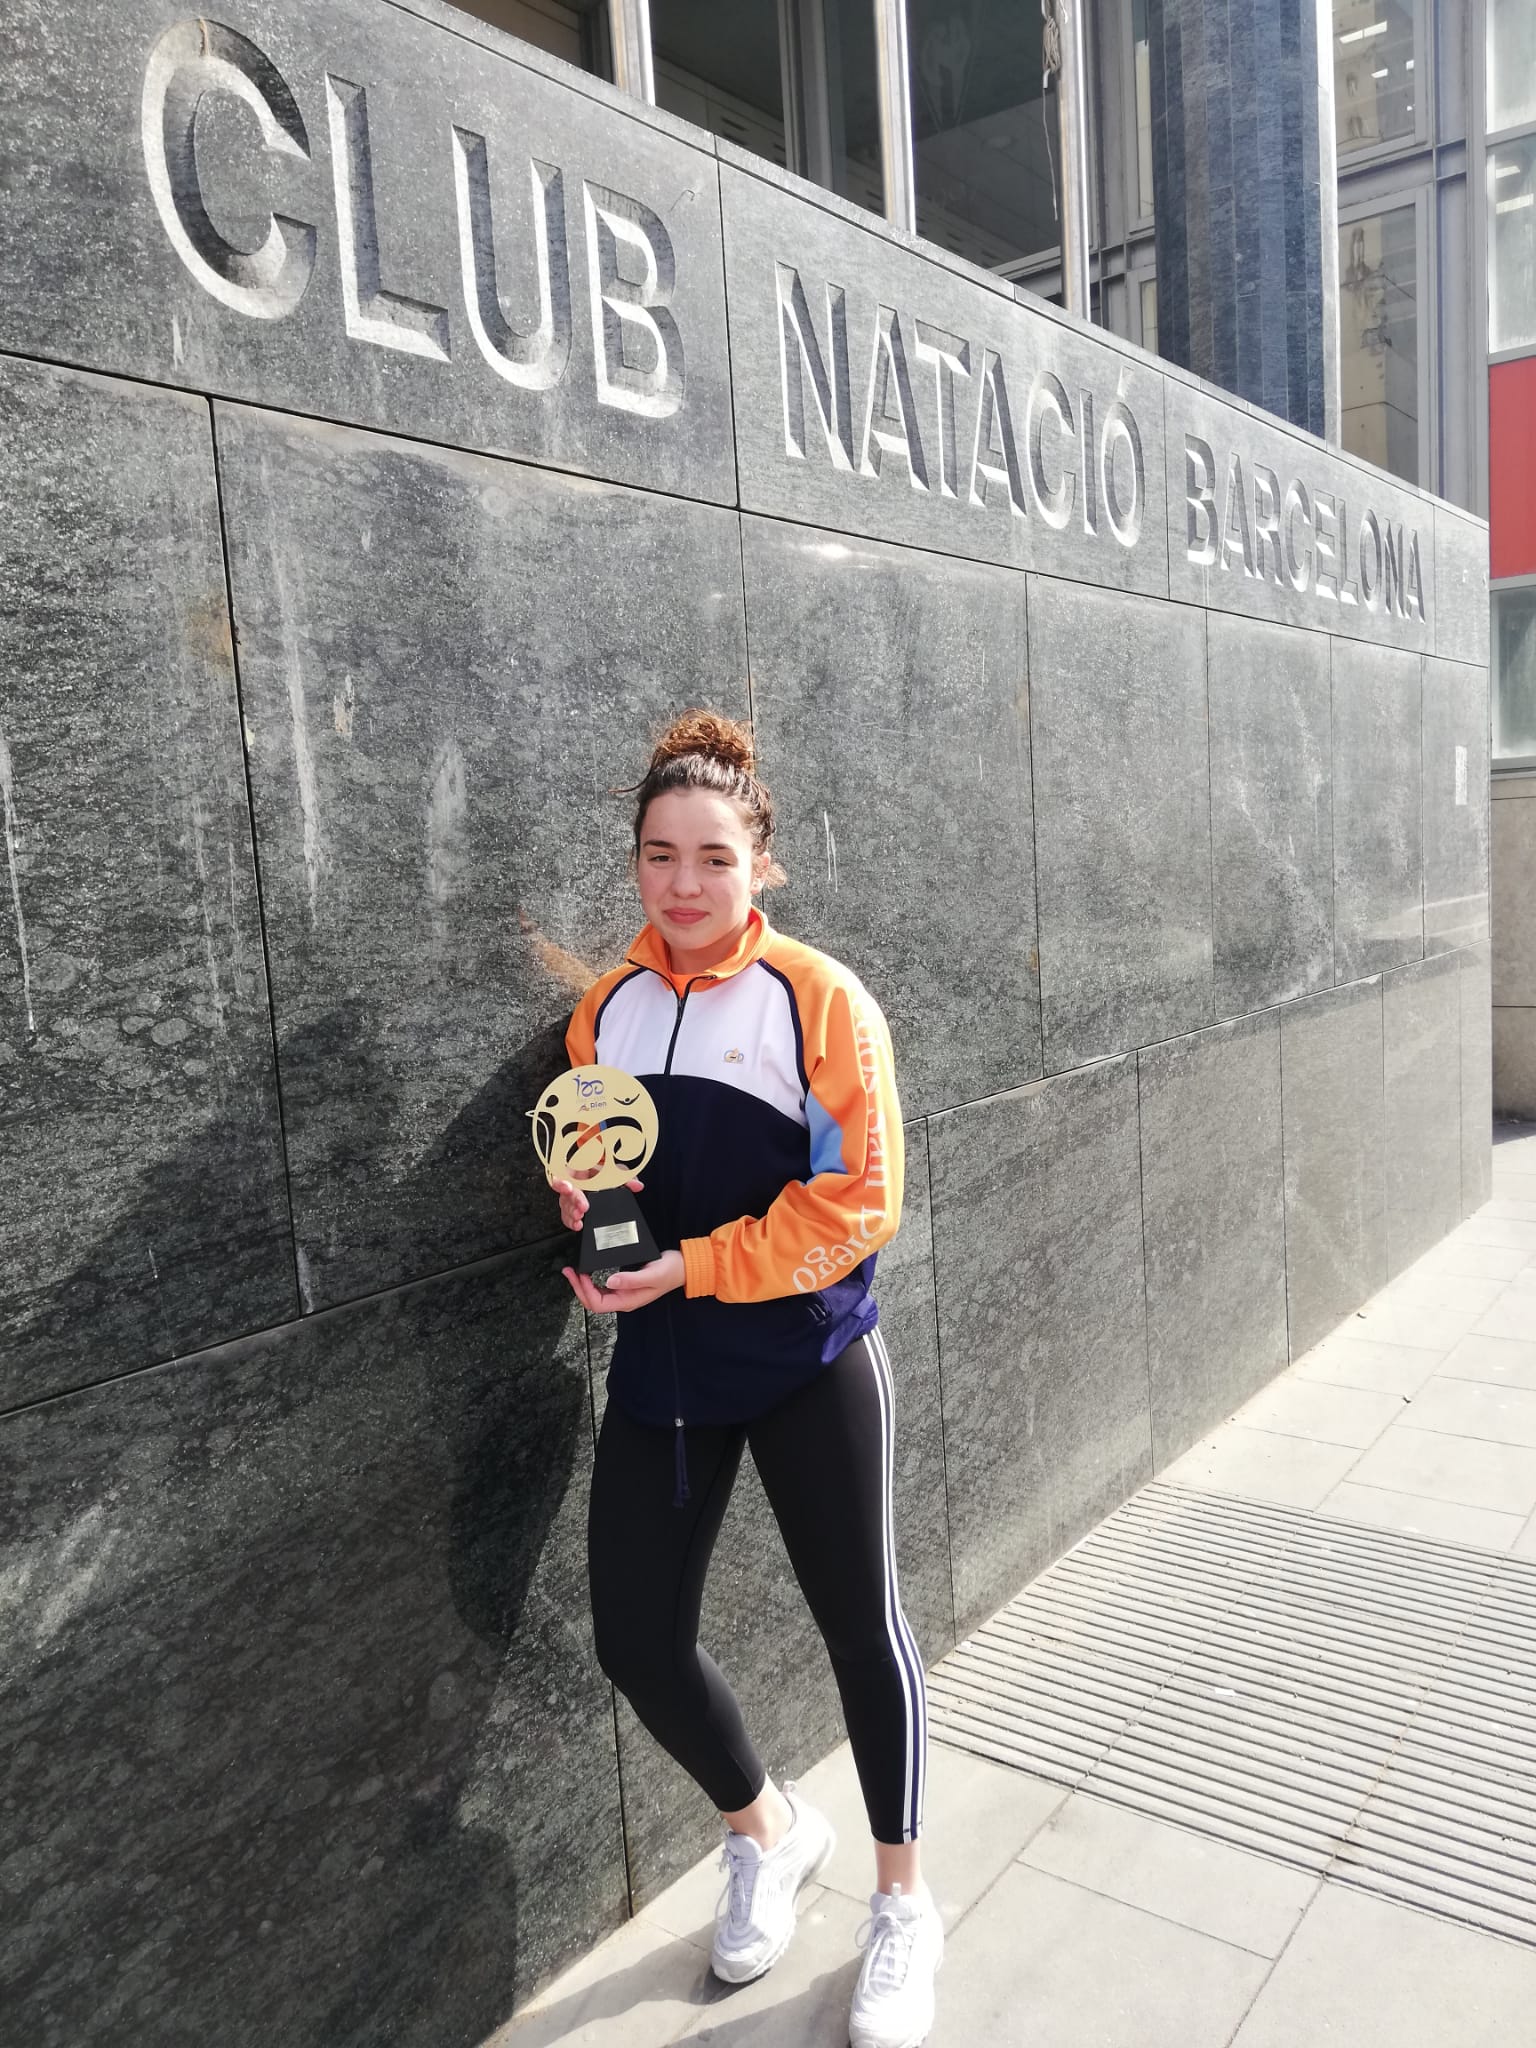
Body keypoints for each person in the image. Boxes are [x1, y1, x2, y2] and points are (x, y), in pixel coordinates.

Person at [551, 711, 943, 2048]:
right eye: (660, 856)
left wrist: (697, 1265)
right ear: (635, 863)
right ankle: (765, 1830)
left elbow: (861, 1202)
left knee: (861, 1629)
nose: (684, 884)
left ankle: (901, 1902)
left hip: (807, 1356)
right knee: (635, 1639)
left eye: (713, 857)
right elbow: (602, 1171)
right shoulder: (606, 1009)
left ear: (760, 863)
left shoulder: (818, 999)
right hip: (665, 1362)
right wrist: (590, 1227)